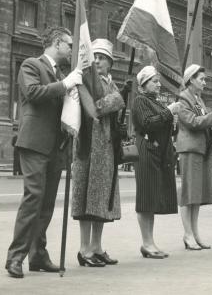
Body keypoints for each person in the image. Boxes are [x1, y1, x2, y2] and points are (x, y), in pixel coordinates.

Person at [5, 26, 82, 278]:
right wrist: (64, 84)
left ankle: (38, 255)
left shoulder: (61, 73)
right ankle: (15, 257)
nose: (71, 49)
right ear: (57, 43)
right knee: (33, 199)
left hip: (55, 146)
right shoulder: (31, 65)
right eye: (69, 45)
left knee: (47, 204)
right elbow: (34, 93)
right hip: (35, 143)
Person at [71, 39, 125, 267]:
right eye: (96, 57)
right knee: (87, 198)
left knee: (101, 200)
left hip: (106, 148)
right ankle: (84, 250)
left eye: (103, 58)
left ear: (111, 63)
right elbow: (93, 108)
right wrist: (119, 98)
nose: (98, 61)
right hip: (89, 147)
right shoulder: (85, 80)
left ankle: (97, 247)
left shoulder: (110, 82)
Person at [132, 65, 181, 258]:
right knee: (146, 199)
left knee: (152, 199)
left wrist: (173, 122)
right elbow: (147, 124)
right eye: (154, 81)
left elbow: (165, 128)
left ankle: (150, 242)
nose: (159, 84)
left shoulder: (157, 102)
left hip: (159, 153)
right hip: (146, 151)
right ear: (144, 84)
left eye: (159, 81)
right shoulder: (140, 101)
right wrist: (169, 113)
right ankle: (147, 243)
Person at [176, 65, 212, 250]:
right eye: (201, 79)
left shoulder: (199, 100)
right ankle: (188, 234)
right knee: (189, 194)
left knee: (196, 195)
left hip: (200, 149)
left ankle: (194, 233)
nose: (204, 82)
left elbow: (201, 123)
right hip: (190, 149)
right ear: (191, 80)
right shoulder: (183, 100)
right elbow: (193, 122)